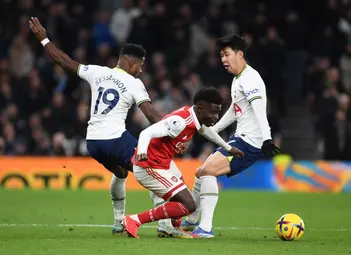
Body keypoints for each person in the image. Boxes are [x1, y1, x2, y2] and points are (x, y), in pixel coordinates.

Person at [28, 17, 186, 237]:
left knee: (121, 172)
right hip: (115, 139)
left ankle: (118, 221)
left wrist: (43, 39)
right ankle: (165, 227)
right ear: (131, 64)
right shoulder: (134, 83)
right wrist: (175, 133)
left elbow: (64, 61)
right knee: (156, 169)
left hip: (93, 142)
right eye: (140, 65)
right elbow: (150, 114)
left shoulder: (97, 72)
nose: (141, 70)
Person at [180, 34, 280, 238]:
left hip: (249, 142)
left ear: (240, 54)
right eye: (221, 55)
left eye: (226, 54)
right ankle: (192, 219)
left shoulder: (250, 78)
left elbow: (259, 109)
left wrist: (268, 138)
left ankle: (205, 228)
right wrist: (213, 131)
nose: (223, 59)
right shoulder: (238, 79)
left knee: (207, 171)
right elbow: (235, 111)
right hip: (240, 138)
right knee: (200, 172)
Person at [121, 88, 244, 238]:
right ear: (200, 109)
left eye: (218, 113)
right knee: (189, 204)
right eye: (213, 113)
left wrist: (229, 148)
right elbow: (146, 132)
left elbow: (206, 131)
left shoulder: (194, 117)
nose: (216, 117)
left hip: (163, 165)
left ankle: (174, 228)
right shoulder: (179, 122)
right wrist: (142, 150)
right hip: (149, 167)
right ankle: (134, 220)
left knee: (181, 193)